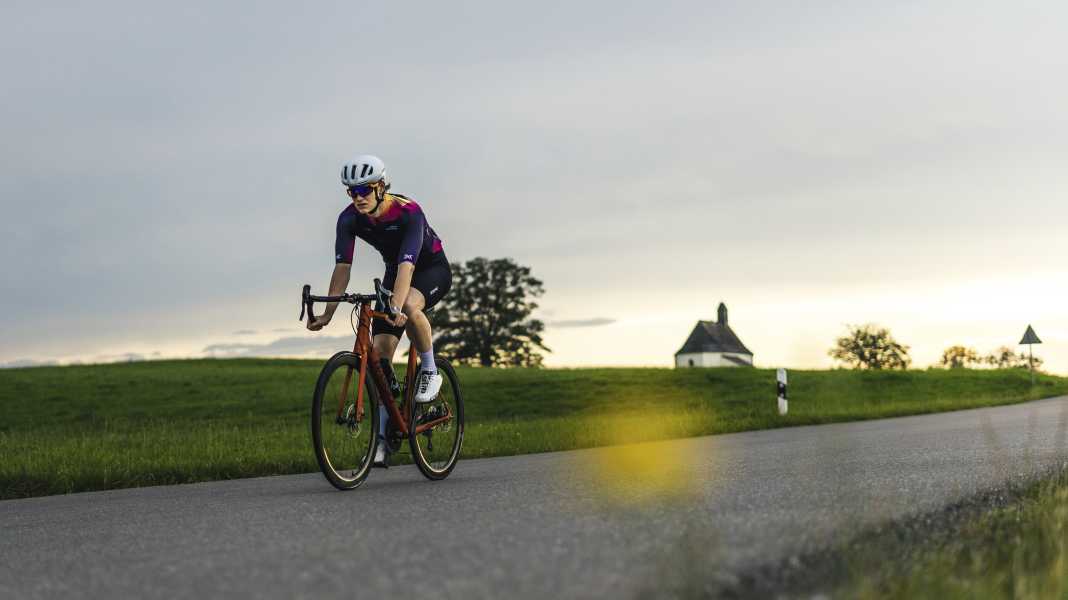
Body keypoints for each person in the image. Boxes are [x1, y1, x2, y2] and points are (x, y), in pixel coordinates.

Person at [307, 154, 451, 466]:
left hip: (430, 269)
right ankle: (384, 441)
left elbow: (407, 267)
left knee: (409, 306)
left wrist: (396, 306)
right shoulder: (348, 219)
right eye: (352, 192)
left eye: (365, 190)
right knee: (380, 355)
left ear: (381, 186)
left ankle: (430, 370)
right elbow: (342, 268)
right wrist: (328, 313)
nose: (358, 197)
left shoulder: (408, 212)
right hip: (394, 271)